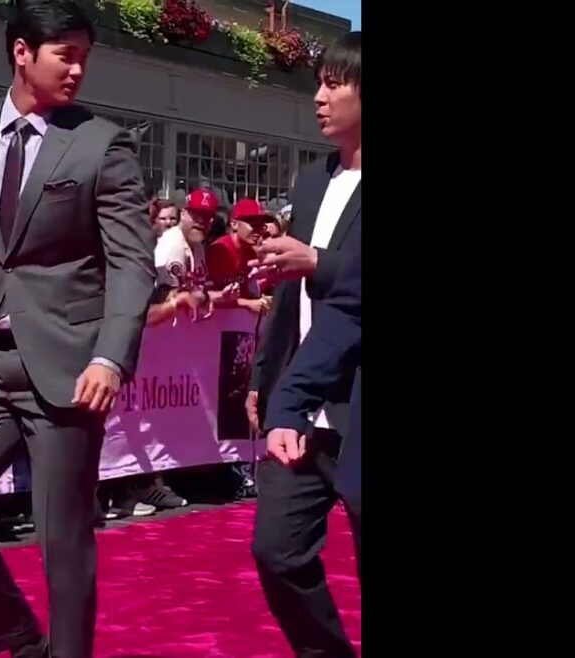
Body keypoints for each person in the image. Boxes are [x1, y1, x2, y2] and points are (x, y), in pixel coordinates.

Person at [0, 2, 156, 657]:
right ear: (22, 52)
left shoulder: (103, 142)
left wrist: (110, 357)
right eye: (63, 55)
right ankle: (19, 640)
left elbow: (133, 262)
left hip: (71, 370)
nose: (77, 70)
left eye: (84, 57)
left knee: (62, 538)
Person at [244, 31, 362, 658]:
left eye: (334, 83)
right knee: (277, 549)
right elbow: (291, 294)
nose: (318, 97)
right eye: (318, 82)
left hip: (354, 396)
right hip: (303, 401)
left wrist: (318, 260)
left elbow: (335, 282)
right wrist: (267, 379)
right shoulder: (312, 180)